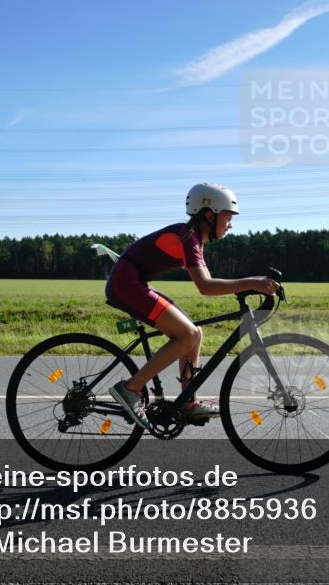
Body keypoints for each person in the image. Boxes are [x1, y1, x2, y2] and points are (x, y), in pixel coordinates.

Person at [106, 183, 279, 429]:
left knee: (194, 333)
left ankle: (187, 402)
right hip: (127, 284)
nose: (231, 224)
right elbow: (205, 286)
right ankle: (130, 388)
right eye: (228, 217)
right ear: (209, 215)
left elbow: (208, 282)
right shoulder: (187, 237)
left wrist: (249, 285)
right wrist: (252, 282)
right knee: (186, 335)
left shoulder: (193, 238)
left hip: (132, 281)